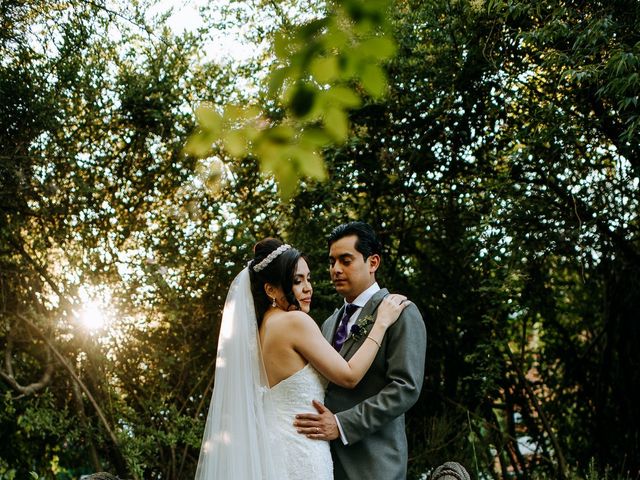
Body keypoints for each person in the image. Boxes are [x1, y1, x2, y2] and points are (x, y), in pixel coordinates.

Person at [194, 238, 409, 480]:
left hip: (273, 452)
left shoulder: (261, 330)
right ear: (270, 290)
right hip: (302, 453)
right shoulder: (295, 322)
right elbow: (349, 376)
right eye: (297, 281)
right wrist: (381, 322)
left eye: (309, 279)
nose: (308, 288)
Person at [293, 222, 427, 480]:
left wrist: (342, 424)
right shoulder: (330, 322)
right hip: (324, 460)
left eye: (346, 260)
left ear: (373, 262)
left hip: (373, 464)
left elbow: (405, 388)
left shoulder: (401, 313)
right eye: (332, 262)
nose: (336, 270)